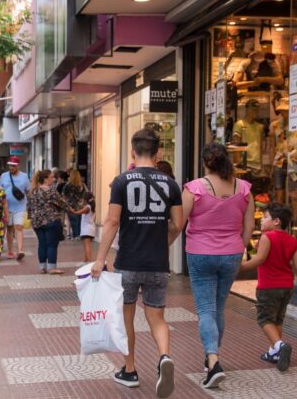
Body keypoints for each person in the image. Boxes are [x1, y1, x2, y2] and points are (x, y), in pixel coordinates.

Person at [91, 128, 184, 398]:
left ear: (133, 151)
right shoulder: (170, 184)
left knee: (127, 317)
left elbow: (111, 222)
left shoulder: (121, 181)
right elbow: (177, 224)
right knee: (156, 317)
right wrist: (161, 243)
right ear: (159, 153)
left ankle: (129, 370)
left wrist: (99, 260)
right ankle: (164, 357)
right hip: (157, 263)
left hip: (128, 262)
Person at [182, 142, 255, 389]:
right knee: (218, 308)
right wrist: (237, 248)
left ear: (204, 162)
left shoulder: (194, 189)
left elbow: (178, 222)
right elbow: (249, 228)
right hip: (231, 253)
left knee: (205, 309)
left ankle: (213, 361)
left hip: (200, 253)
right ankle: (211, 357)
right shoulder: (244, 188)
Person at [240, 203, 297, 372]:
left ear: (276, 221)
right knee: (277, 319)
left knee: (264, 319)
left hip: (268, 286)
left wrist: (240, 267)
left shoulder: (267, 237)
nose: (261, 220)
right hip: (287, 286)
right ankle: (274, 352)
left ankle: (280, 345)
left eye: (265, 217)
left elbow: (259, 260)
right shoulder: (292, 240)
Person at [26, 170, 74, 274]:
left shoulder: (33, 191)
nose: (54, 179)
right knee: (52, 245)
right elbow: (62, 203)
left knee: (42, 244)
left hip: (37, 222)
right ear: (45, 179)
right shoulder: (51, 191)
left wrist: (32, 218)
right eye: (52, 177)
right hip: (51, 221)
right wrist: (73, 211)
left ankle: (42, 267)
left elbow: (28, 207)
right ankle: (52, 268)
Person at [0, 157, 30, 260]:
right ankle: (10, 251)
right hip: (7, 207)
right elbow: (0, 191)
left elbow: (28, 191)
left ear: (18, 165)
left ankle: (20, 250)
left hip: (20, 206)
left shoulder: (24, 176)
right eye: (10, 165)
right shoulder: (4, 176)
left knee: (19, 227)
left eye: (13, 165)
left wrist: (30, 205)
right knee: (9, 229)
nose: (11, 167)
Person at [233, 99, 265, 173]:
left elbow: (260, 146)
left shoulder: (259, 127)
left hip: (257, 165)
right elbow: (236, 146)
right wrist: (239, 165)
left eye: (257, 110)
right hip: (245, 164)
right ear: (247, 109)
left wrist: (261, 165)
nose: (255, 112)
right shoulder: (239, 124)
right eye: (253, 109)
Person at [62, 169, 86, 240]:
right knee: (79, 221)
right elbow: (85, 195)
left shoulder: (67, 185)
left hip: (71, 206)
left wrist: (66, 202)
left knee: (73, 221)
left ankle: (75, 235)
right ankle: (79, 234)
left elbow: (63, 195)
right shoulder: (81, 185)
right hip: (80, 205)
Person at [75, 191, 96, 262]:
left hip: (86, 229)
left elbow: (78, 212)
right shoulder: (91, 207)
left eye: (83, 199)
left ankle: (88, 260)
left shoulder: (87, 207)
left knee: (87, 246)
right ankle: (86, 259)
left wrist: (71, 211)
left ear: (85, 199)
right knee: (87, 245)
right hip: (90, 228)